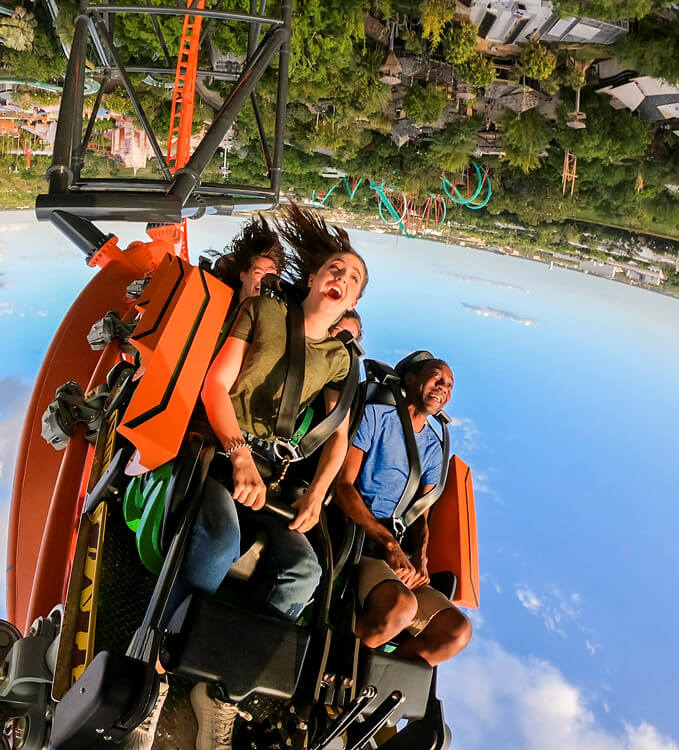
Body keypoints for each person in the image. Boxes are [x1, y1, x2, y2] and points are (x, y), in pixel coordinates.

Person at [124, 205, 368, 750]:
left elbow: (338, 438)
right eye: (335, 268)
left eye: (352, 279)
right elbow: (217, 385)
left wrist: (320, 491)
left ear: (352, 302)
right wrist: (236, 453)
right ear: (312, 277)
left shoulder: (339, 361)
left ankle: (222, 686)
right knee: (219, 537)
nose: (340, 278)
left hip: (272, 479)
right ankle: (157, 668)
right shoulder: (262, 311)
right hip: (221, 451)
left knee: (304, 572)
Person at [333, 355, 472, 667]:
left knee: (456, 631)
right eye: (436, 378)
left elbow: (420, 516)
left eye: (449, 385)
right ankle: (340, 666)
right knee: (401, 605)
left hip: (395, 549)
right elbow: (343, 487)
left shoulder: (434, 449)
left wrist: (420, 559)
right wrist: (390, 545)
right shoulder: (375, 417)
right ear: (409, 379)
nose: (443, 388)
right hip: (357, 534)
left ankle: (374, 682)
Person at [207, 215, 286, 306]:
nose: (264, 280)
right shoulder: (217, 300)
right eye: (258, 273)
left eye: (270, 276)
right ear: (243, 275)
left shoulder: (277, 315)